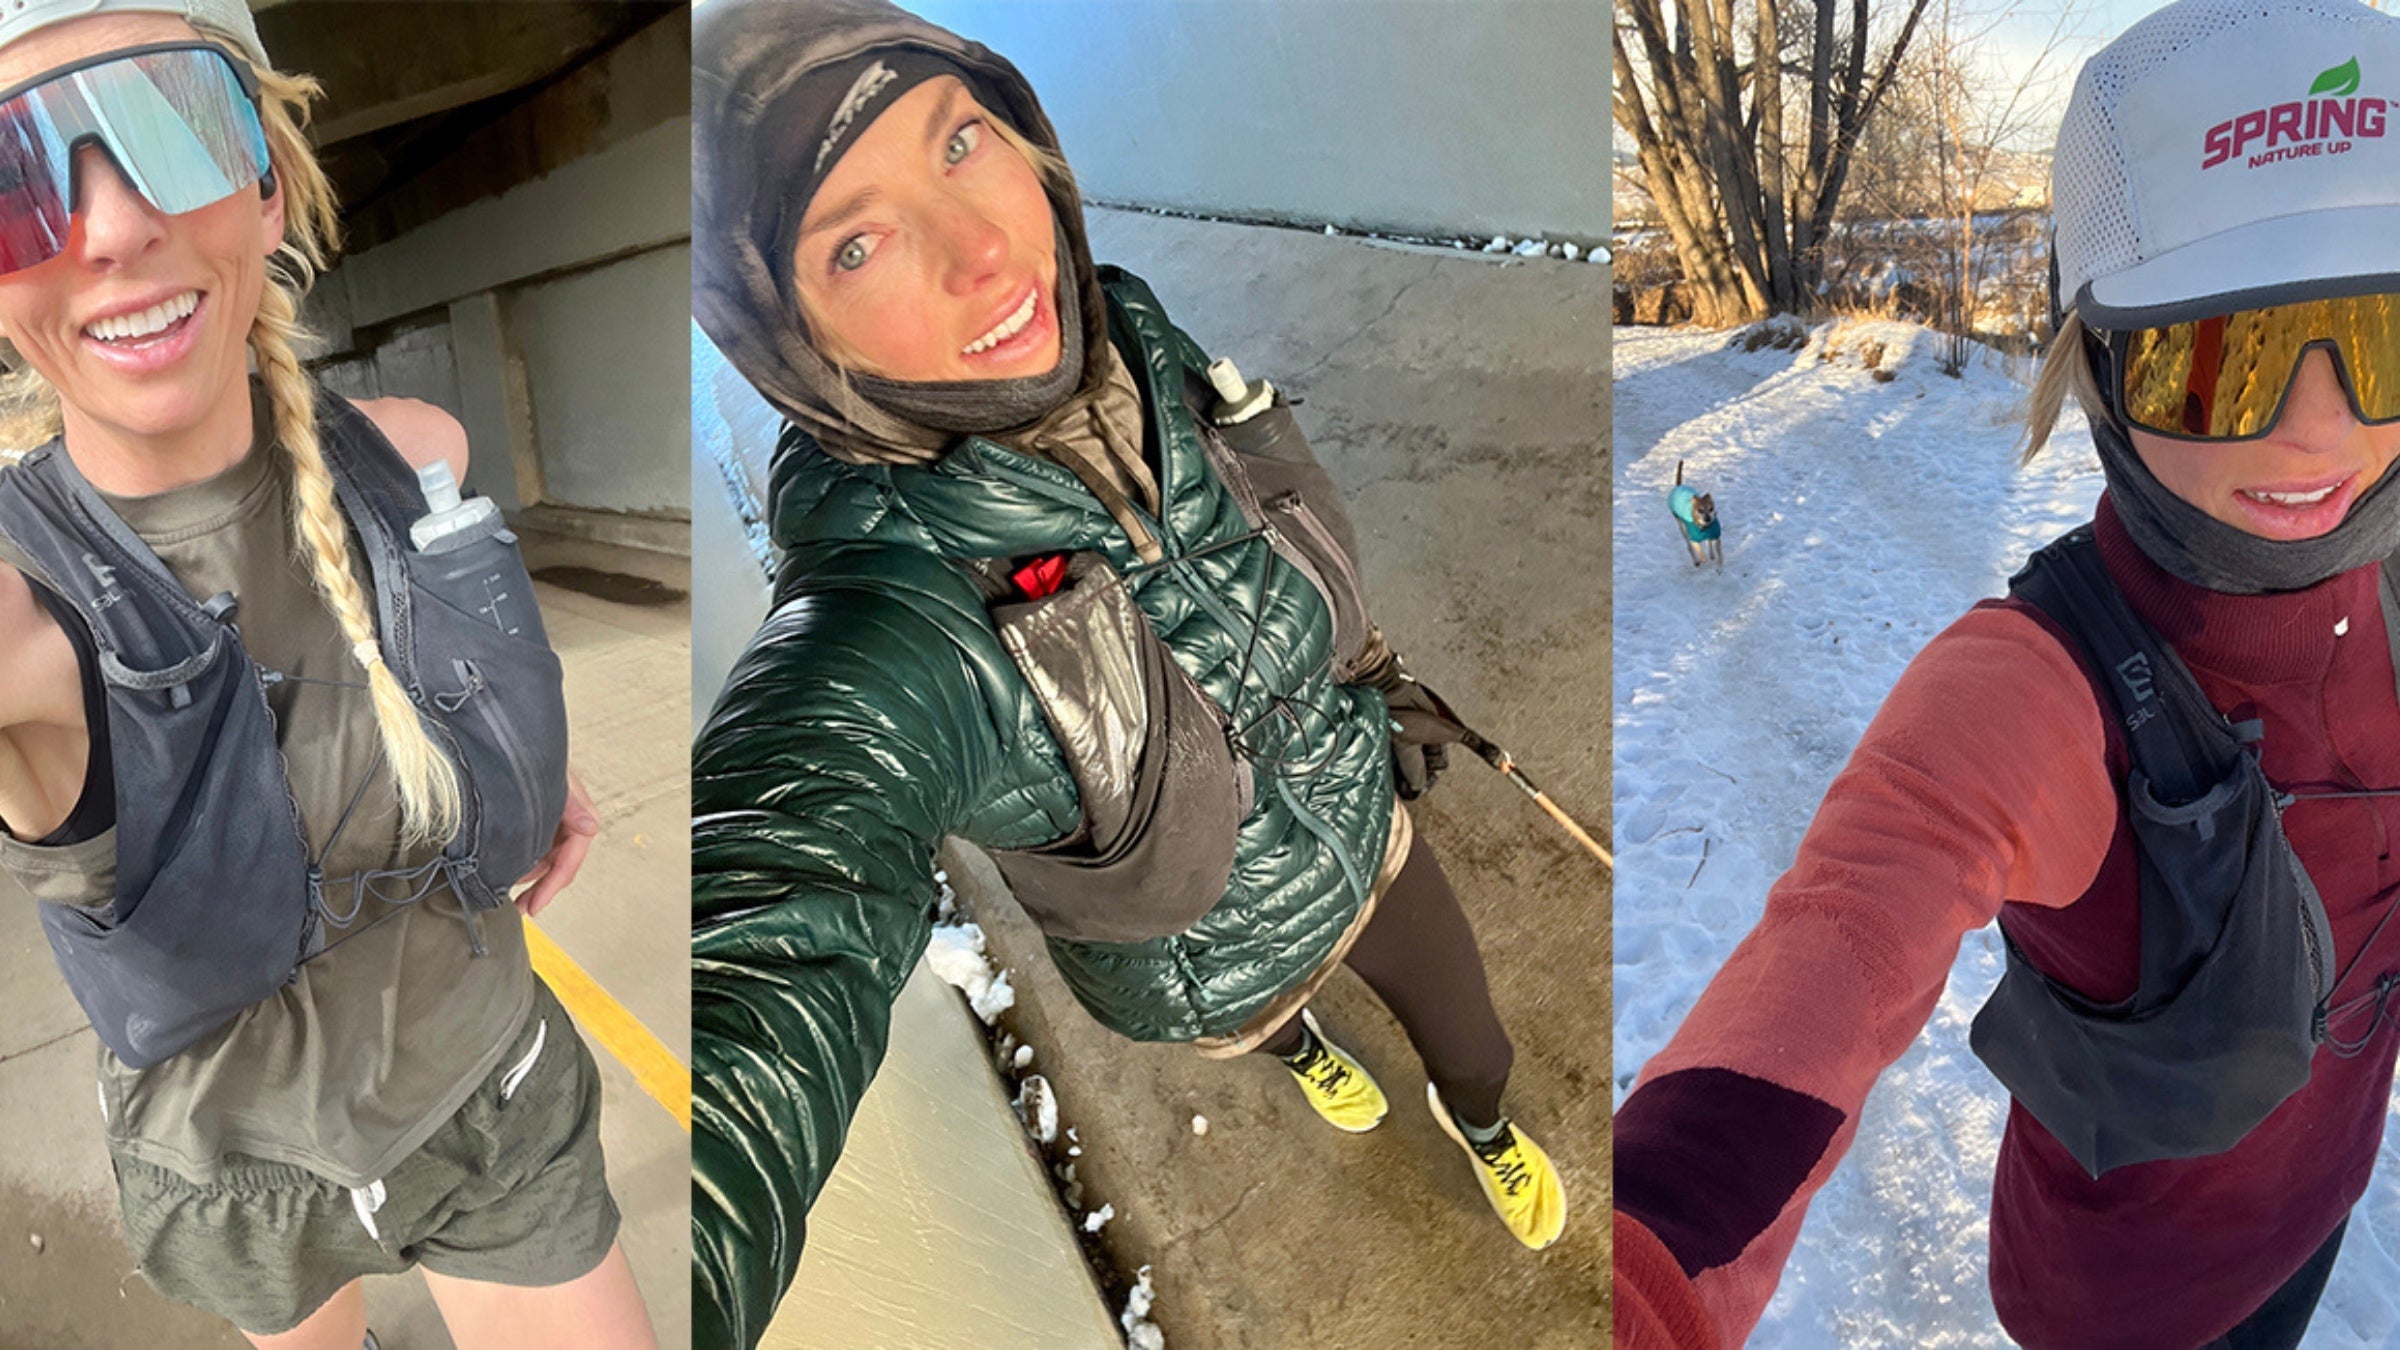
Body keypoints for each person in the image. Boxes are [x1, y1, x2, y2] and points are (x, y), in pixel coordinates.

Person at [690, 0, 1570, 1342]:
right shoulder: (893, 613)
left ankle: (1483, 1120)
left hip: (1356, 822)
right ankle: (1304, 1048)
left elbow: (1268, 521)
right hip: (1196, 962)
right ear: (786, 338)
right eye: (856, 241)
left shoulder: (1133, 336)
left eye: (962, 140)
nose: (988, 253)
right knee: (1274, 1030)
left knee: (1478, 1040)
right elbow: (775, 883)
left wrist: (1367, 666)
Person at [1613, 1, 2400, 1346]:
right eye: (2220, 360)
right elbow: (1830, 959)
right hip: (2126, 1312)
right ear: (2094, 359)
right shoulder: (2034, 693)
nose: (2319, 432)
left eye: (2382, 340)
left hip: (2313, 1219)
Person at [0, 2, 656, 1345]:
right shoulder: (23, 607)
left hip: (495, 1089)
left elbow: (428, 645)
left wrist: (509, 741)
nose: (112, 226)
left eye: (164, 127)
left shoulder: (412, 451)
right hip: (240, 1175)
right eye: (15, 180)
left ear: (268, 180)